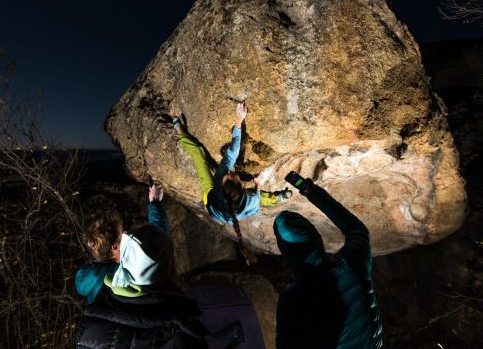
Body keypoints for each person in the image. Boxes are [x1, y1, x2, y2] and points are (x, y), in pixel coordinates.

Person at [75, 185, 243, 348]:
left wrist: (101, 262)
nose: (126, 234)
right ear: (114, 248)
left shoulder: (98, 278)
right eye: (122, 233)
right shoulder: (147, 268)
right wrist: (154, 204)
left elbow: (81, 281)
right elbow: (157, 240)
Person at [273, 174, 385, 349]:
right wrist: (311, 191)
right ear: (317, 239)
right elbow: (356, 229)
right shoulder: (351, 264)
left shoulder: (292, 299)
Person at [173, 102, 291, 264]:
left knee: (199, 154)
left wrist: (238, 120)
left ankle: (180, 132)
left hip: (210, 200)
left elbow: (232, 152)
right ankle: (279, 197)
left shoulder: (219, 182)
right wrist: (258, 183)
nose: (228, 171)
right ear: (242, 188)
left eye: (227, 174)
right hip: (225, 206)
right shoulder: (249, 200)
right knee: (261, 198)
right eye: (230, 174)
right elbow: (254, 191)